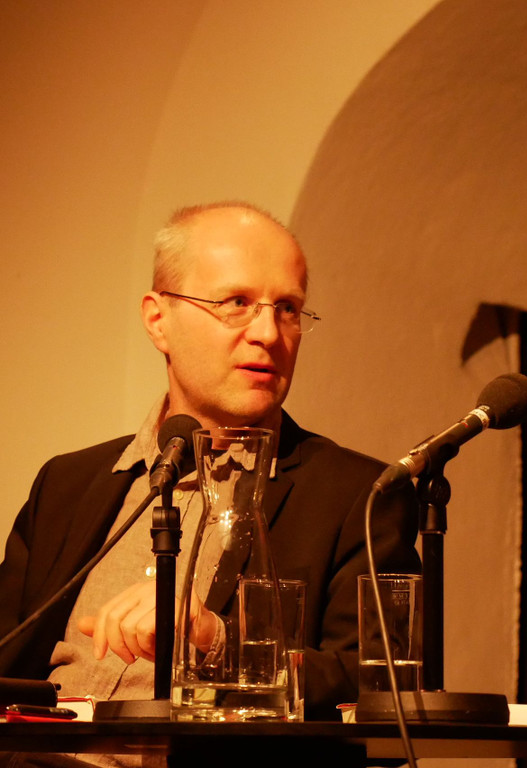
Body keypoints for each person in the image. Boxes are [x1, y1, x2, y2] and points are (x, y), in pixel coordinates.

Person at [0, 203, 420, 747]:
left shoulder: (359, 496)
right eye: (236, 303)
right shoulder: (67, 483)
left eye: (288, 308)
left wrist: (217, 638)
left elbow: (380, 686)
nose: (267, 333)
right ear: (158, 320)